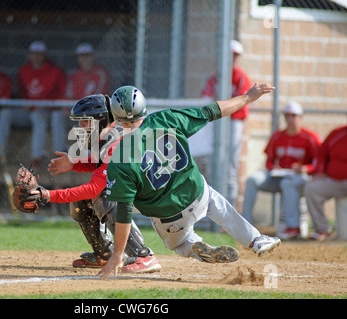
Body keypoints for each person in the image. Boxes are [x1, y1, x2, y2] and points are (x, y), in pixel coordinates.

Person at [98, 83, 280, 280]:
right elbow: (212, 111)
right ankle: (255, 240)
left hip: (168, 217)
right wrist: (247, 97)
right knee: (217, 204)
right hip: (197, 194)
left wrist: (118, 254)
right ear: (143, 107)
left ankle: (193, 246)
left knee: (179, 244)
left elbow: (124, 209)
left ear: (115, 117)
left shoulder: (120, 156)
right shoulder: (166, 119)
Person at [19, 94, 161, 273]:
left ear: (101, 121)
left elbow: (96, 187)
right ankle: (105, 254)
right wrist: (73, 163)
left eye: (85, 122)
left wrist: (48, 195)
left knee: (105, 196)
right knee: (83, 201)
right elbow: (99, 164)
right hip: (141, 191)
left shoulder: (116, 143)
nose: (80, 127)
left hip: (156, 195)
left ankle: (143, 255)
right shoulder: (108, 136)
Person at [242, 102, 321, 240]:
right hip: (279, 176)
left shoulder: (309, 137)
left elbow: (318, 163)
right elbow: (269, 161)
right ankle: (245, 223)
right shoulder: (278, 136)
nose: (291, 119)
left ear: (301, 117)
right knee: (252, 180)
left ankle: (293, 227)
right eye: (288, 116)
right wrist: (272, 167)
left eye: (294, 116)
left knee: (287, 183)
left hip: (301, 177)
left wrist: (305, 168)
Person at [201, 40, 252, 207]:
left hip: (233, 122)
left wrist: (220, 105)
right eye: (230, 55)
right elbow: (205, 98)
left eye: (236, 55)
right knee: (212, 164)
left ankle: (229, 209)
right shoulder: (216, 77)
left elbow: (240, 104)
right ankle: (211, 209)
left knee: (230, 166)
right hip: (216, 121)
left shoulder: (241, 77)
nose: (233, 58)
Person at [14, 41, 67, 169]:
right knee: (35, 116)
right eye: (33, 54)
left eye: (39, 54)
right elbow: (21, 91)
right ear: (29, 55)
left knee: (54, 117)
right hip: (30, 110)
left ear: (45, 55)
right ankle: (36, 158)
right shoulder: (24, 70)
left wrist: (43, 103)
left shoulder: (55, 71)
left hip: (51, 109)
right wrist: (26, 101)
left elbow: (61, 93)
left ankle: (58, 156)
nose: (36, 57)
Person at [304, 125, 347, 241]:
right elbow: (321, 154)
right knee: (312, 188)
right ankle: (323, 229)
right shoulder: (336, 134)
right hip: (334, 181)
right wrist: (320, 171)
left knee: (344, 236)